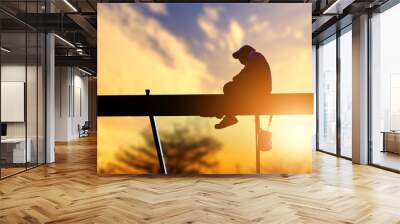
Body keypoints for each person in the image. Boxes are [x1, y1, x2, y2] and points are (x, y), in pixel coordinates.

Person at [215, 45, 272, 129]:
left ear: (245, 53)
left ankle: (227, 114)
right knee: (233, 88)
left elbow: (247, 74)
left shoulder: (255, 56)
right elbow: (248, 74)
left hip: (260, 91)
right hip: (259, 90)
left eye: (240, 57)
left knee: (229, 87)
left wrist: (237, 79)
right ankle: (227, 114)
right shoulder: (255, 58)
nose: (239, 61)